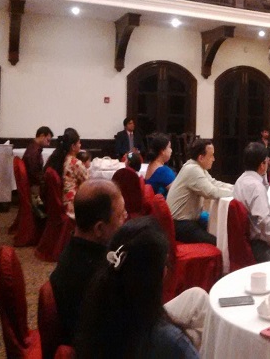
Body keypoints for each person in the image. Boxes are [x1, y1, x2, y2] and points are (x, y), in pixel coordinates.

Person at [75, 217, 208, 358]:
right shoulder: (170, 340)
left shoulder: (97, 306)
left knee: (197, 297)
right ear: (157, 276)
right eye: (165, 263)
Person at [49, 179, 128, 344]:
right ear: (99, 228)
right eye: (120, 215)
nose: (126, 217)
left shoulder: (77, 249)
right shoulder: (94, 278)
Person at [167, 139, 233, 245]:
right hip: (181, 224)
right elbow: (211, 192)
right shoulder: (193, 170)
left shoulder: (197, 167)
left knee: (216, 228)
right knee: (217, 242)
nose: (214, 159)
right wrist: (236, 193)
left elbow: (214, 183)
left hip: (186, 220)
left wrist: (235, 188)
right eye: (211, 156)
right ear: (201, 158)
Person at [233, 142, 270, 262]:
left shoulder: (240, 181)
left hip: (244, 242)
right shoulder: (256, 187)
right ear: (262, 164)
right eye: (266, 161)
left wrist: (263, 173)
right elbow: (263, 219)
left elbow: (265, 188)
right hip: (258, 245)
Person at [46, 128, 89, 219]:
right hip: (73, 204)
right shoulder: (75, 163)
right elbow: (88, 184)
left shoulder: (63, 158)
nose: (80, 145)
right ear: (73, 146)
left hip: (65, 200)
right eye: (79, 143)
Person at [22, 126, 53, 198]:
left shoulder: (32, 147)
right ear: (42, 136)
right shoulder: (34, 152)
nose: (48, 144)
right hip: (34, 187)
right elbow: (35, 175)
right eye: (48, 140)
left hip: (31, 184)